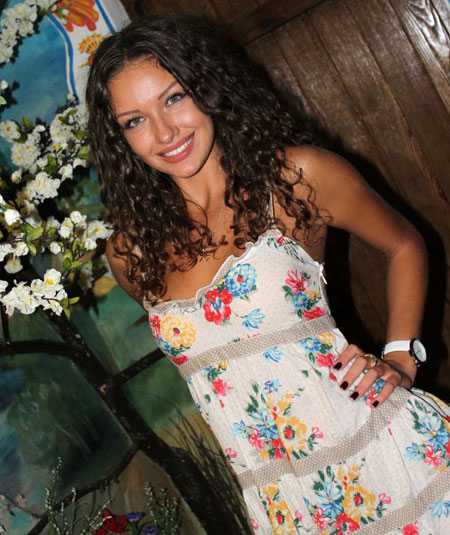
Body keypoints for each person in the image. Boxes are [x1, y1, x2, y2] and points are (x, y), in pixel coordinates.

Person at [86, 15, 450, 535]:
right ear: (119, 137)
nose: (164, 133)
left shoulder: (294, 179)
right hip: (286, 501)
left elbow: (404, 244)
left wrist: (400, 356)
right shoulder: (130, 252)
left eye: (174, 98)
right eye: (134, 120)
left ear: (206, 88)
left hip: (387, 456)